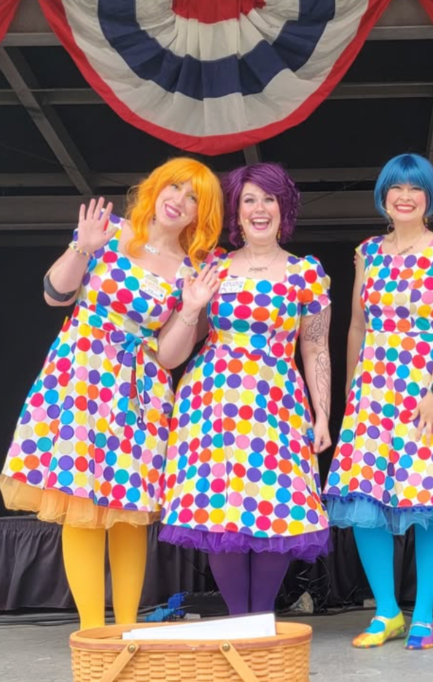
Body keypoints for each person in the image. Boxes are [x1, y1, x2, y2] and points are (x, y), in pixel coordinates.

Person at [0, 158, 223, 629]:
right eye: (175, 188)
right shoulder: (110, 231)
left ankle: (126, 628)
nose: (179, 201)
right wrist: (82, 246)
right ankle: (92, 632)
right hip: (81, 374)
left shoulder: (192, 271)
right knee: (79, 500)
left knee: (127, 508)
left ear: (200, 215)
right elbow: (54, 294)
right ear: (156, 188)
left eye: (194, 199)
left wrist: (191, 310)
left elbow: (169, 357)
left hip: (140, 388)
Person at [158, 162, 333, 615]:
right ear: (235, 211)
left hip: (277, 401)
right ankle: (240, 621)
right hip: (212, 402)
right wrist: (190, 308)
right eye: (249, 200)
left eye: (269, 199)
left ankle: (261, 618)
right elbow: (184, 339)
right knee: (222, 513)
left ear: (284, 207)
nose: (259, 208)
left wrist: (322, 415)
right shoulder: (211, 265)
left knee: (277, 506)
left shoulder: (306, 272)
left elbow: (315, 348)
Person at [322, 153, 433, 650]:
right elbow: (357, 325)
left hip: (427, 386)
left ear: (429, 197)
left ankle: (424, 615)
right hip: (373, 388)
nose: (405, 196)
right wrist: (352, 390)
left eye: (416, 188)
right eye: (397, 187)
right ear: (384, 195)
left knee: (428, 501)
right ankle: (386, 612)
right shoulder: (368, 251)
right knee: (364, 498)